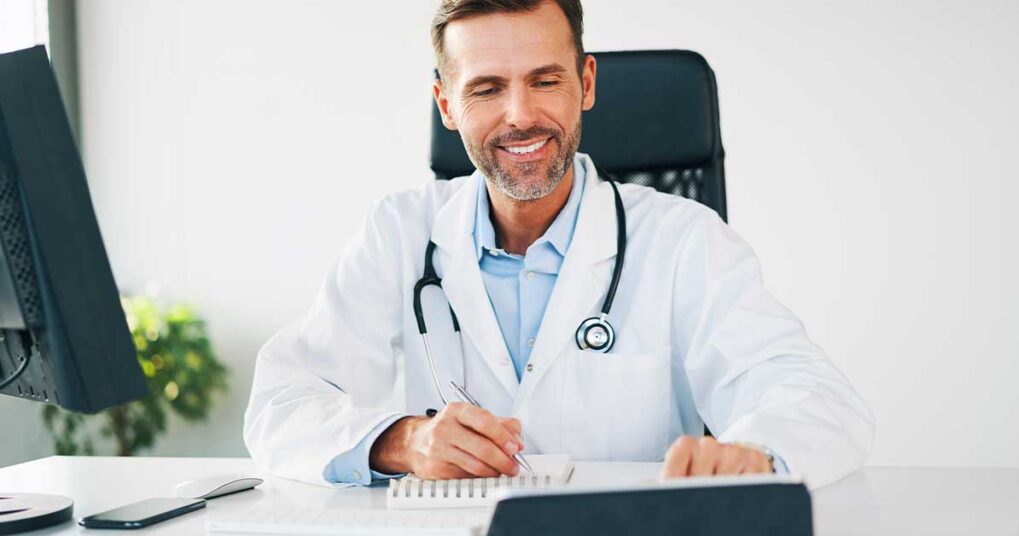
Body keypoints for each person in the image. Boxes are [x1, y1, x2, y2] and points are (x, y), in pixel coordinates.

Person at [244, 0, 874, 490]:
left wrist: (753, 456)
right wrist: (403, 441)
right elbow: (280, 406)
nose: (520, 115)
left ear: (586, 83)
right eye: (486, 88)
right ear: (447, 103)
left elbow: (816, 399)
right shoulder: (398, 233)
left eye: (544, 80)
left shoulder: (685, 240)